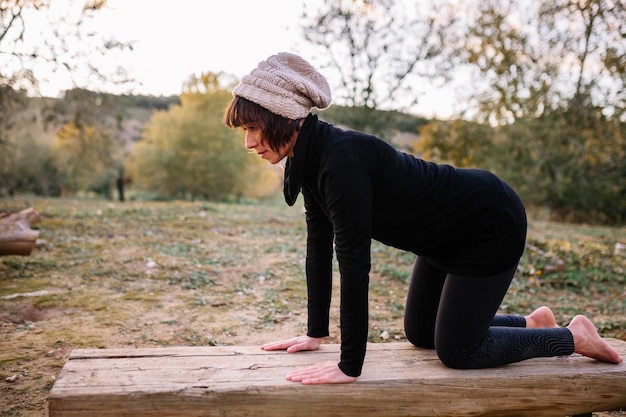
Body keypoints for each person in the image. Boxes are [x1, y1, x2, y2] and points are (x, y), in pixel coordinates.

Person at [224, 52, 623, 385]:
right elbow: (318, 249)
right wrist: (315, 332)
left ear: (285, 117)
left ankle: (570, 336)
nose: (249, 142)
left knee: (459, 350)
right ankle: (533, 322)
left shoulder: (340, 161)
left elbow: (354, 265)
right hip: (439, 238)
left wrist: (350, 366)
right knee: (420, 334)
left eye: (254, 128)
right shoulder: (308, 159)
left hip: (487, 222)